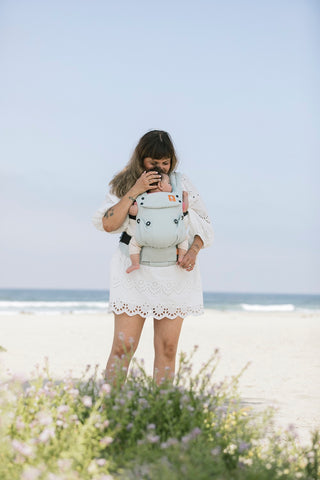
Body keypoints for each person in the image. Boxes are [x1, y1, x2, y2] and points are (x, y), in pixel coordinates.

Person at [92, 130, 214, 385]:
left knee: (168, 349)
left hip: (175, 273)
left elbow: (205, 224)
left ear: (172, 161)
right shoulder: (123, 183)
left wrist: (193, 251)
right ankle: (108, 414)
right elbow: (108, 224)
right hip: (133, 270)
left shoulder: (183, 184)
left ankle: (160, 415)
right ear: (141, 159)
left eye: (165, 163)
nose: (159, 168)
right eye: (153, 162)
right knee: (123, 349)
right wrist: (135, 189)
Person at [126, 169, 189, 274]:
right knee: (184, 239)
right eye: (168, 183)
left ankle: (135, 263)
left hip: (147, 237)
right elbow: (184, 209)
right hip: (173, 236)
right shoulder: (173, 198)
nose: (171, 186)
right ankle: (181, 257)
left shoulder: (143, 198)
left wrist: (132, 205)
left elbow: (132, 212)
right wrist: (185, 197)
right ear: (160, 185)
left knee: (134, 244)